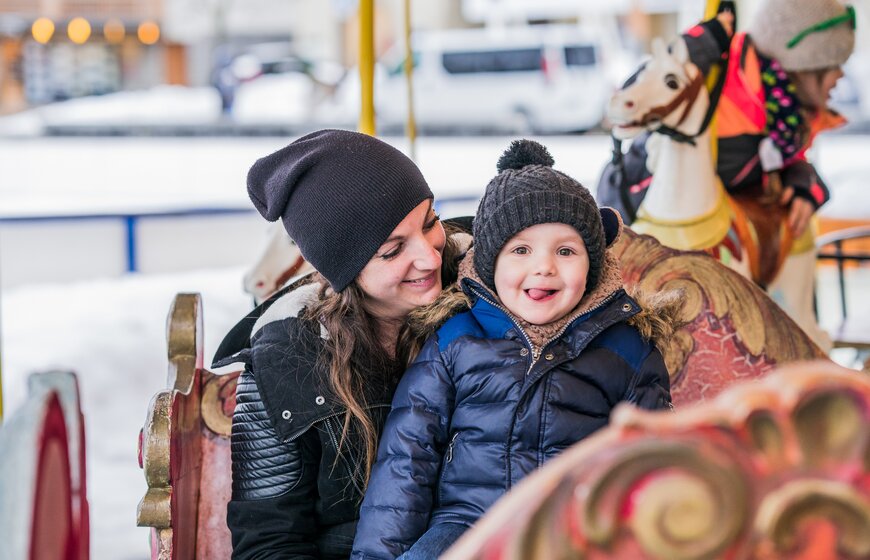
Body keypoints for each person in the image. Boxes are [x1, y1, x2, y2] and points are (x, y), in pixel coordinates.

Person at [351, 140, 673, 560]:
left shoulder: (628, 351)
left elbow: (652, 464)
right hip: (467, 525)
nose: (544, 267)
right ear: (490, 264)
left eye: (566, 251)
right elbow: (406, 461)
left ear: (592, 266)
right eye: (521, 250)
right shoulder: (455, 341)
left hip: (573, 532)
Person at [211, 129, 471, 559]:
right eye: (392, 250)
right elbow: (269, 542)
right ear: (342, 268)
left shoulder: (496, 295)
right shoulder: (287, 361)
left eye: (429, 223)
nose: (428, 256)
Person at [597, 0, 856, 242]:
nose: (841, 75)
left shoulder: (785, 117)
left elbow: (777, 164)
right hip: (647, 227)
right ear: (805, 65)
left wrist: (804, 183)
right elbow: (636, 94)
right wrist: (698, 44)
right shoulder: (721, 83)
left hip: (718, 240)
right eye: (835, 64)